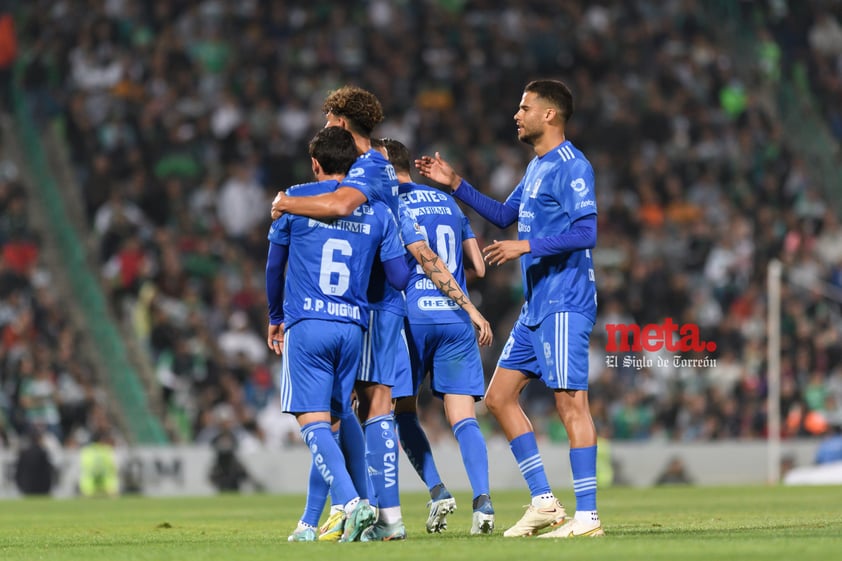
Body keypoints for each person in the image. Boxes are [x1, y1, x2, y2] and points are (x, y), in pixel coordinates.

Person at [270, 85, 491, 541]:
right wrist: (464, 303)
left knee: (360, 410)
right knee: (357, 409)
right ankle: (346, 514)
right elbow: (416, 244)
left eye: (329, 117)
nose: (326, 123)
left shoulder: (365, 166)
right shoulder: (386, 172)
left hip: (361, 303)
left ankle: (376, 514)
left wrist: (286, 202)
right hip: (379, 303)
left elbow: (340, 205)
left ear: (340, 120)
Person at [416, 79, 603, 538]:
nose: (516, 115)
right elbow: (502, 214)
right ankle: (544, 502)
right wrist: (455, 184)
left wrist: (526, 245)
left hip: (565, 300)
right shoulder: (537, 167)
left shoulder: (573, 166)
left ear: (549, 115)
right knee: (497, 398)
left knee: (570, 402)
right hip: (537, 304)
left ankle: (588, 517)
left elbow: (587, 233)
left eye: (524, 108)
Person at [266, 126, 410, 542]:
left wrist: (275, 315)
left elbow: (275, 267)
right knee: (332, 422)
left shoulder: (294, 198)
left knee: (311, 423)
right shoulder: (378, 209)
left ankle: (351, 503)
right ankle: (309, 524)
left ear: (315, 164)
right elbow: (399, 276)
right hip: (352, 329)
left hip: (308, 324)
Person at [383, 138, 494, 535]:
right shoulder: (449, 203)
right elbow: (478, 267)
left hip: (412, 316)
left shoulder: (390, 202)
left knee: (403, 411)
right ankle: (483, 502)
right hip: (456, 318)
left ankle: (437, 491)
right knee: (463, 418)